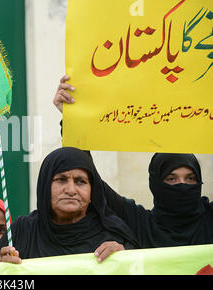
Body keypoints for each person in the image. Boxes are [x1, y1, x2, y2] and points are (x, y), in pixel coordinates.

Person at [53, 75, 213, 248]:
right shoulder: (139, 223)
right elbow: (94, 185)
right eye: (172, 179)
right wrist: (73, 119)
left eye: (190, 179)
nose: (182, 185)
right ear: (156, 183)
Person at [0, 147, 140, 264]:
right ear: (45, 186)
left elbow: (138, 268)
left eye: (80, 181)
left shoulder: (112, 234)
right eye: (61, 180)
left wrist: (125, 258)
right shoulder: (23, 231)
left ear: (92, 190)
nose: (70, 190)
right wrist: (1, 267)